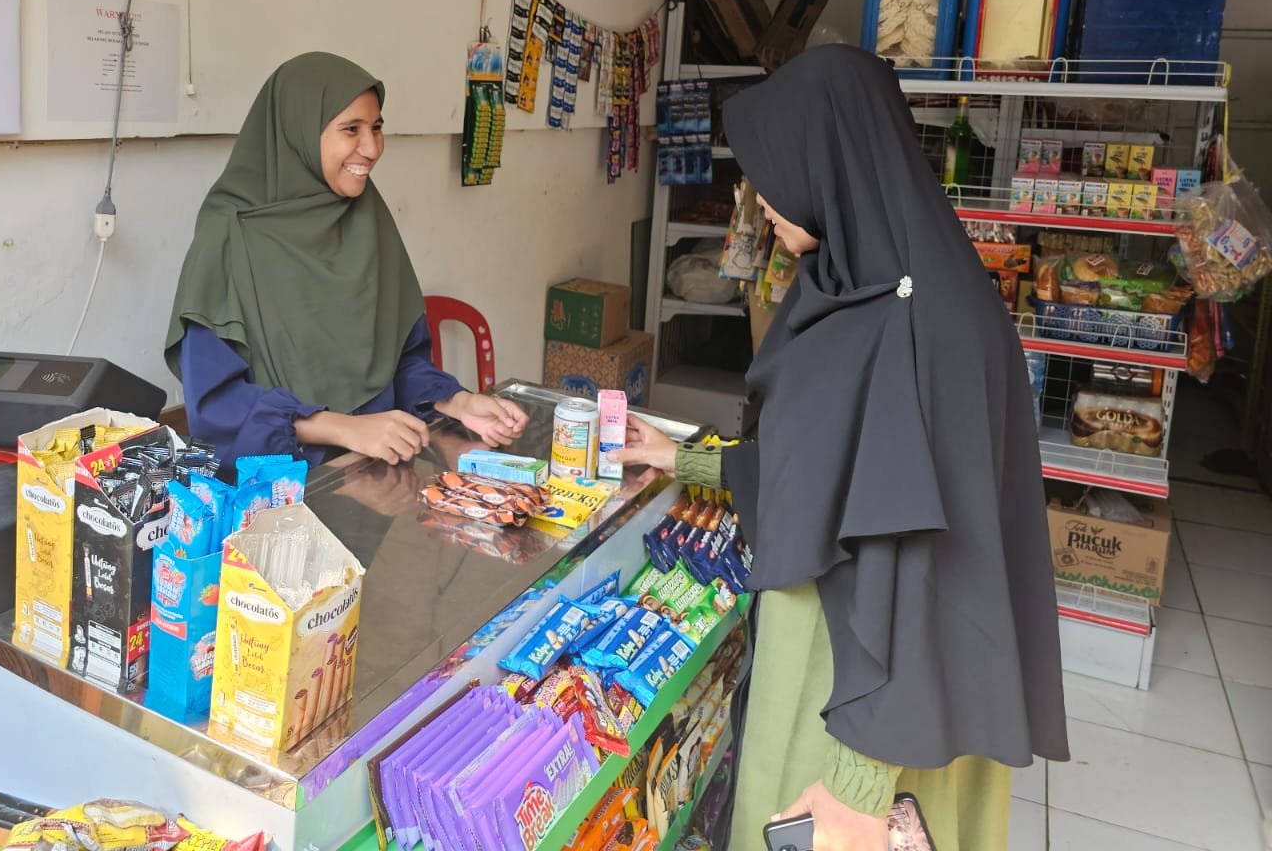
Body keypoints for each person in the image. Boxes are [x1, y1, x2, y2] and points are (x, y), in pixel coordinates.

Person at [611, 46, 1068, 851]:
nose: (759, 199)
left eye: (773, 173)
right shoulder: (866, 283)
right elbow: (823, 469)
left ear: (830, 160)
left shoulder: (921, 325)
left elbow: (927, 559)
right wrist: (681, 458)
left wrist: (860, 779)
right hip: (861, 672)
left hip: (864, 703)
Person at [164, 52, 527, 468]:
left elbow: (400, 361)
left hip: (374, 480)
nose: (371, 149)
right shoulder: (229, 239)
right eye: (350, 130)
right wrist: (345, 428)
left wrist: (456, 401)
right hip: (272, 499)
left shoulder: (367, 221)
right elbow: (217, 408)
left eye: (376, 128)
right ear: (298, 131)